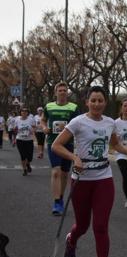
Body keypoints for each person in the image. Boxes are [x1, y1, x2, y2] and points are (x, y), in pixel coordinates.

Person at [52, 86, 127, 257]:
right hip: (81, 180)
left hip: (103, 179)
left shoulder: (109, 122)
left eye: (100, 100)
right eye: (93, 100)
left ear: (105, 103)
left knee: (101, 226)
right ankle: (72, 239)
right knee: (82, 225)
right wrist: (74, 157)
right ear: (86, 102)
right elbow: (57, 145)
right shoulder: (78, 122)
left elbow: (115, 145)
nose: (97, 104)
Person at [42, 81, 81, 216]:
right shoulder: (49, 106)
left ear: (67, 93)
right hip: (53, 143)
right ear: (55, 92)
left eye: (65, 90)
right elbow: (43, 120)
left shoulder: (73, 107)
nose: (63, 92)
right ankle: (57, 201)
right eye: (60, 90)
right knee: (56, 172)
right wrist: (44, 128)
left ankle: (61, 197)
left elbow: (78, 124)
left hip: (68, 144)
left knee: (64, 174)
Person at [14, 106, 36, 176]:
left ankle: (28, 163)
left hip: (29, 140)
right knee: (23, 155)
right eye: (22, 111)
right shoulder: (17, 119)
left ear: (28, 113)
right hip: (20, 140)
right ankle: (24, 170)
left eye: (25, 111)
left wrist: (32, 131)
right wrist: (15, 137)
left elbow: (34, 127)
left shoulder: (31, 119)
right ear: (20, 112)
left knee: (29, 157)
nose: (24, 112)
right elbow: (15, 129)